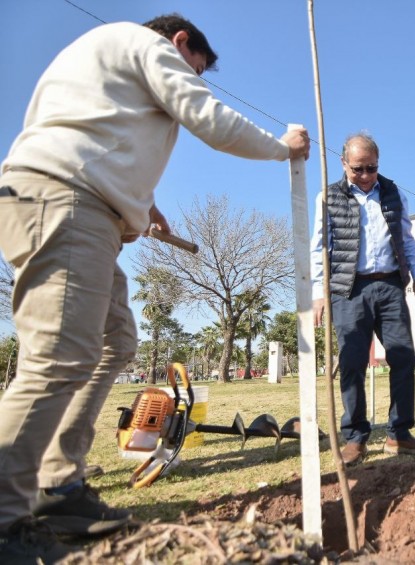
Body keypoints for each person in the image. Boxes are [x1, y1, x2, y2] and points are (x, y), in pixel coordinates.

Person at [0, 13, 310, 562]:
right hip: (67, 204)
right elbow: (210, 119)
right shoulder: (146, 44)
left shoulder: (101, 55)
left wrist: (139, 203)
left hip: (68, 203)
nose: (193, 80)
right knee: (58, 358)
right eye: (196, 70)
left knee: (116, 340)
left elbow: (95, 134)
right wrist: (282, 146)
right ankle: (6, 515)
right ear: (180, 42)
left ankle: (59, 487)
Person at [310, 133, 415, 468]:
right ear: (343, 163)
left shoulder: (393, 193)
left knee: (403, 356)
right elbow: (319, 247)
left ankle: (400, 433)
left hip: (390, 285)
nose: (366, 175)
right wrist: (319, 293)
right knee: (352, 363)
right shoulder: (328, 196)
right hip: (348, 289)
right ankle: (355, 437)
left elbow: (406, 238)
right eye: (358, 169)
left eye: (372, 168)